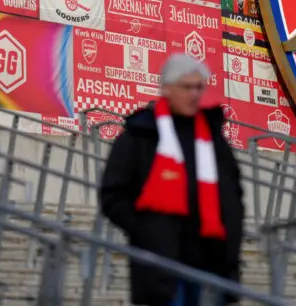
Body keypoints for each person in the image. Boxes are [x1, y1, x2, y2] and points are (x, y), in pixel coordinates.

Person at [99, 54, 244, 306]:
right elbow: (113, 194)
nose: (194, 94)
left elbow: (233, 193)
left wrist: (231, 239)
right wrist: (146, 231)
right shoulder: (140, 134)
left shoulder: (213, 136)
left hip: (212, 264)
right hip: (162, 265)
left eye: (199, 87)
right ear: (166, 88)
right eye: (187, 87)